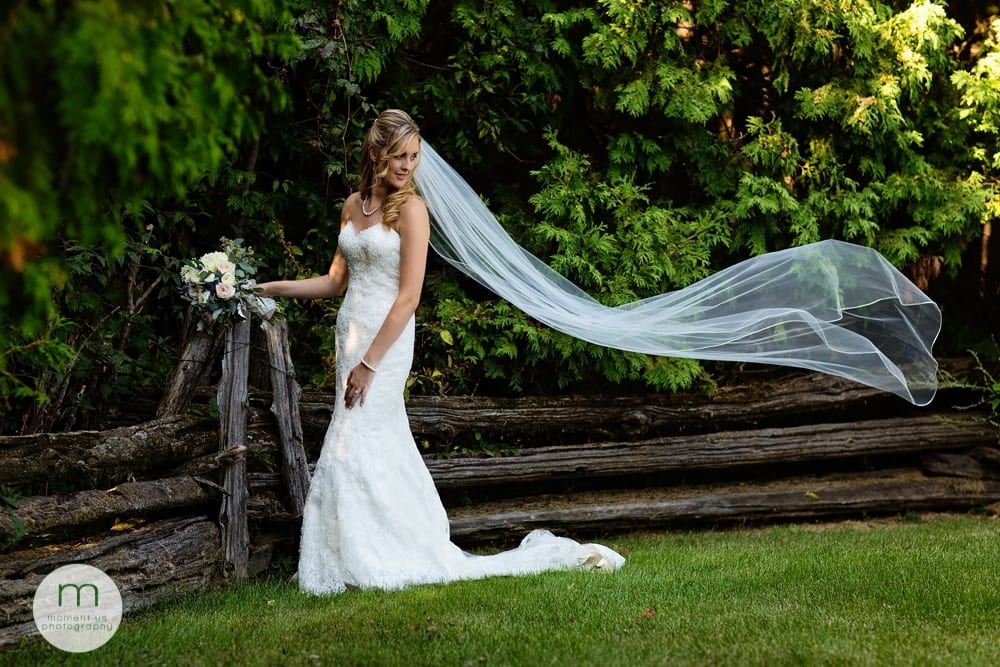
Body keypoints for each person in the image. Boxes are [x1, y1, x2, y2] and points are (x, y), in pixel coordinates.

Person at [256, 109, 624, 595]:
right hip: (351, 338)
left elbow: (408, 297)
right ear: (375, 153)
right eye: (399, 156)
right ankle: (349, 557)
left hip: (384, 346)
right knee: (359, 439)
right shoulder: (352, 204)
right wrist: (272, 287)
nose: (408, 166)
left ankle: (375, 557)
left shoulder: (412, 210)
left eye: (413, 156)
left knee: (355, 438)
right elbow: (335, 281)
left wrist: (369, 364)